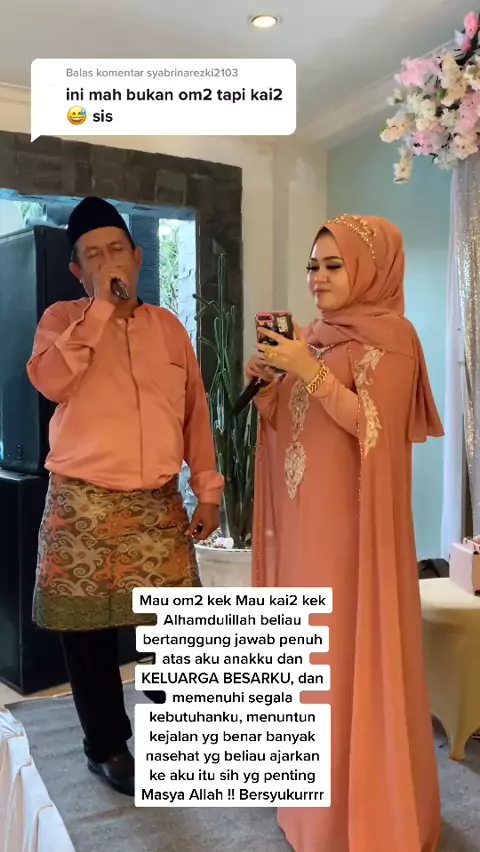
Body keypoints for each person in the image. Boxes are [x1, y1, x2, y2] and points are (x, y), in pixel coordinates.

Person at [247, 215, 443, 852]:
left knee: (344, 659)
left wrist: (309, 371)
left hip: (353, 537)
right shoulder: (314, 339)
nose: (318, 278)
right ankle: (310, 813)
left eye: (333, 265)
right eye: (313, 266)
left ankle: (357, 819)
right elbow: (293, 431)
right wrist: (270, 387)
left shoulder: (395, 340)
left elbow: (374, 428)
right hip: (306, 530)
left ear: (369, 269)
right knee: (308, 665)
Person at [27, 196, 223, 796]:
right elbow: (50, 381)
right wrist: (98, 313)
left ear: (138, 257)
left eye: (117, 249)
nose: (108, 262)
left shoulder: (169, 328)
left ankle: (181, 730)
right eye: (93, 255)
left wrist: (208, 490)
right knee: (88, 639)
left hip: (156, 503)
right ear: (76, 270)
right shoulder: (61, 321)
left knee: (176, 630)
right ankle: (106, 746)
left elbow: (194, 412)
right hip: (82, 503)